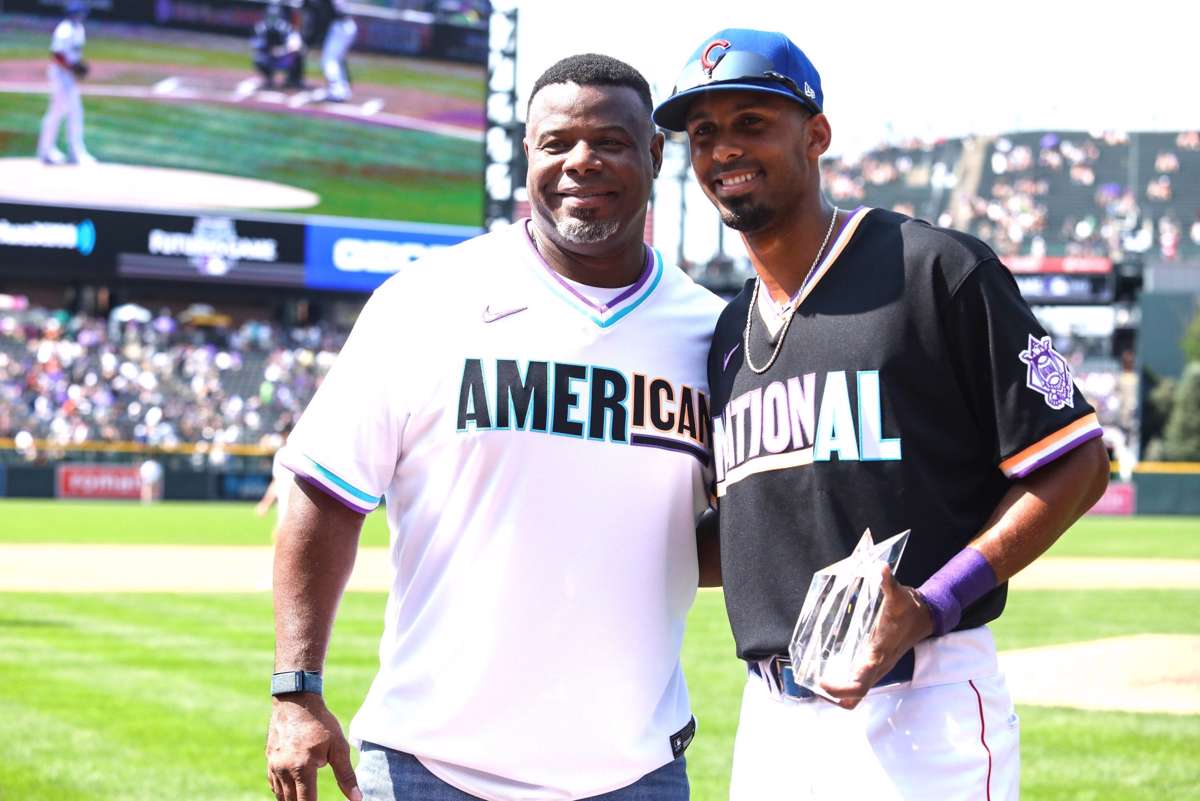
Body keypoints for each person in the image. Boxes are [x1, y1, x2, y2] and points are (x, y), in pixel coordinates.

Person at [653, 28, 1111, 801]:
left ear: (816, 135)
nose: (724, 148)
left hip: (921, 700)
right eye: (703, 133)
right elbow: (748, 535)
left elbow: (1078, 461)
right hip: (771, 717)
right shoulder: (727, 331)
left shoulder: (934, 267)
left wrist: (934, 602)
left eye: (751, 122)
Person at [266, 54, 723, 801]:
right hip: (426, 764)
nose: (581, 161)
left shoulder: (711, 333)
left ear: (654, 154)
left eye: (609, 141)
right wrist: (295, 688)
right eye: (556, 143)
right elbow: (325, 493)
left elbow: (733, 529)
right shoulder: (428, 298)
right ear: (526, 154)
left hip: (633, 768)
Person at [37, 0, 96, 165]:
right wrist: (72, 68)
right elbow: (57, 54)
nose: (81, 15)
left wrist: (76, 66)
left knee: (60, 112)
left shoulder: (79, 29)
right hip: (60, 77)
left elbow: (73, 53)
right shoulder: (64, 30)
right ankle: (74, 152)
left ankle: (47, 150)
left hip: (67, 76)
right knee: (72, 112)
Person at [302, 0, 357, 102]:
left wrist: (309, 39)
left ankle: (337, 90)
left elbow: (322, 15)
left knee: (329, 60)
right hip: (345, 25)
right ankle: (343, 88)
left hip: (340, 26)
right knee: (337, 60)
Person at [252, 0, 306, 91]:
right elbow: (256, 45)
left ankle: (293, 80)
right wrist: (268, 50)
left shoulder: (286, 28)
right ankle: (268, 79)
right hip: (269, 57)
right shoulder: (261, 27)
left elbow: (296, 46)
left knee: (299, 54)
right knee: (258, 58)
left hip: (284, 57)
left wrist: (281, 50)